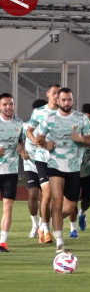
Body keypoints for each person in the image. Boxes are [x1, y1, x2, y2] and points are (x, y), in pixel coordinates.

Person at [37, 88, 90, 253]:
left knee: (69, 208)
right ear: (58, 100)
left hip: (74, 167)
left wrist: (81, 139)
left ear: (72, 100)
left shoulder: (81, 118)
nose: (66, 103)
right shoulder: (50, 118)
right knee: (56, 202)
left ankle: (45, 224)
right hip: (55, 166)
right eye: (63, 100)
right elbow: (40, 138)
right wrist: (47, 145)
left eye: (69, 100)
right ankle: (59, 240)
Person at [27, 83, 60, 244]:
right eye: (54, 93)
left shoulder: (66, 113)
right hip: (42, 159)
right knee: (46, 194)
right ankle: (46, 230)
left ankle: (42, 225)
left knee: (60, 200)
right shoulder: (39, 112)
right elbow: (29, 130)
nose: (56, 95)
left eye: (59, 93)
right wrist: (36, 142)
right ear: (47, 94)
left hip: (61, 160)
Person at [67, 103, 90, 239]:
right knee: (72, 201)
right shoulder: (75, 126)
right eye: (88, 118)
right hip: (74, 171)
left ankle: (82, 213)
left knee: (88, 200)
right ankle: (73, 229)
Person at [0, 93, 24, 252]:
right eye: (5, 104)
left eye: (11, 104)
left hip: (11, 171)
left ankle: (2, 242)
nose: (8, 107)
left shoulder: (19, 123)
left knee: (8, 206)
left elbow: (21, 142)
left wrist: (21, 149)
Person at [22, 98, 46, 239]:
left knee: (45, 197)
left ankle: (43, 225)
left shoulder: (49, 127)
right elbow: (19, 142)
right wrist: (21, 151)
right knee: (32, 194)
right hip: (30, 164)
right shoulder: (26, 127)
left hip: (45, 164)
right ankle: (35, 224)